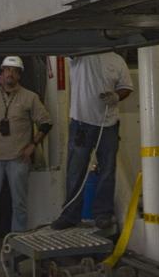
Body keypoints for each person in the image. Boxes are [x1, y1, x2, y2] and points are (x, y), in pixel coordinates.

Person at [0, 55, 52, 258]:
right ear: (2, 72)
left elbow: (46, 122)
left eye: (14, 71)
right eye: (7, 70)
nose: (10, 74)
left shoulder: (29, 97)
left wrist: (33, 144)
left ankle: (18, 244)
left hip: (18, 158)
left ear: (19, 74)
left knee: (19, 203)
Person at [52, 51, 132, 231]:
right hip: (81, 122)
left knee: (107, 171)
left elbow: (126, 86)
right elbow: (67, 46)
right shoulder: (80, 54)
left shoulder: (117, 59)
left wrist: (117, 96)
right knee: (75, 171)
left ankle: (103, 214)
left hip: (109, 124)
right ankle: (70, 215)